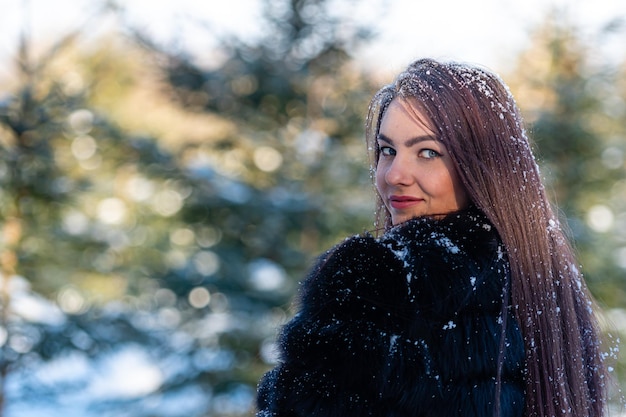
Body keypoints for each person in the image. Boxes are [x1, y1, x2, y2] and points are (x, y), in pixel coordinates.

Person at [255, 58, 607, 417]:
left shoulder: (375, 280)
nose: (395, 175)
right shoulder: (546, 286)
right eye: (388, 150)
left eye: (428, 153)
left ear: (481, 166)